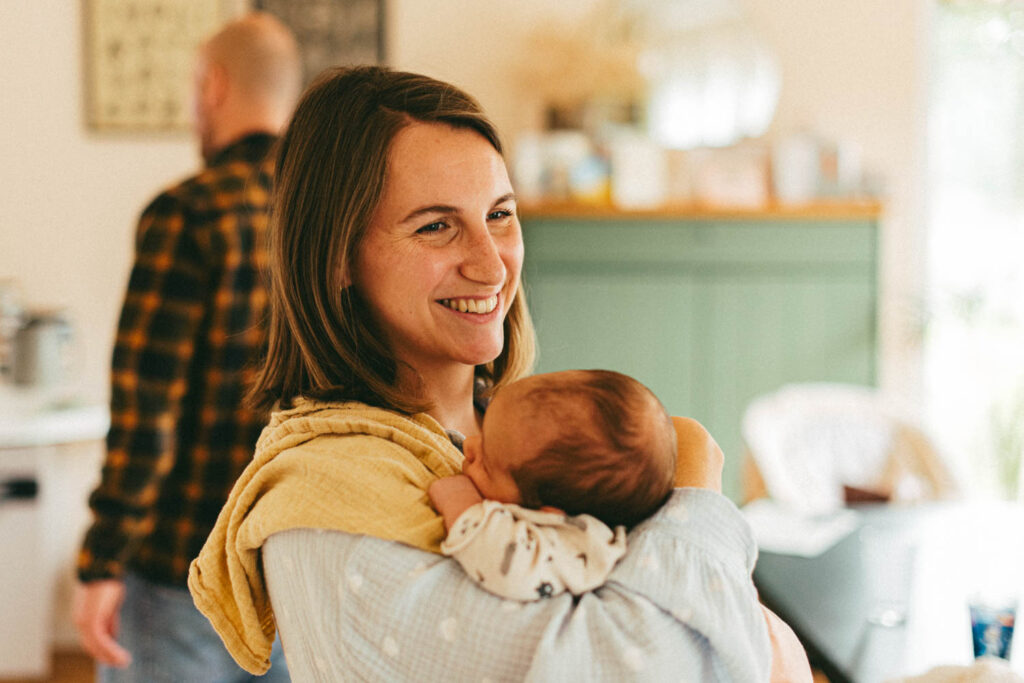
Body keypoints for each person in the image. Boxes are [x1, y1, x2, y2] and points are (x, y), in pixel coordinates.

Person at [189, 65, 812, 682]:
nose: (491, 267)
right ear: (338, 257)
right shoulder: (327, 496)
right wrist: (695, 485)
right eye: (435, 226)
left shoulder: (524, 434)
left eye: (500, 214)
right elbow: (665, 666)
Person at [73, 13, 302, 683]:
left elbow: (148, 415)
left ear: (213, 85)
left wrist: (102, 559)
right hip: (293, 566)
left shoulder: (189, 213)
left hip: (184, 568)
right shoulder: (330, 223)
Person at [428, 368, 677, 601]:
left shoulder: (578, 544)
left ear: (547, 514)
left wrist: (460, 502)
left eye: (487, 462)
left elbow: (506, 565)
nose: (468, 444)